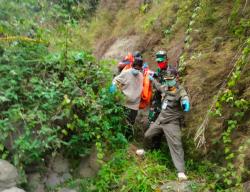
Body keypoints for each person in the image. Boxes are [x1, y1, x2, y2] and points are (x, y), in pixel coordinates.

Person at [137, 67, 190, 181]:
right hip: (160, 120)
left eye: (170, 79)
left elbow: (184, 97)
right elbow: (159, 87)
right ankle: (145, 150)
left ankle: (181, 172)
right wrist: (152, 79)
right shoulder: (166, 87)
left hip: (172, 122)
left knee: (176, 146)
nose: (168, 80)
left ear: (176, 78)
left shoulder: (180, 90)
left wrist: (185, 102)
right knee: (147, 135)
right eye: (166, 79)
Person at [110, 57, 144, 138]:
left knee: (129, 125)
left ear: (141, 68)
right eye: (136, 67)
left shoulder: (141, 76)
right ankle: (116, 139)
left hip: (134, 106)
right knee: (120, 123)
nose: (137, 70)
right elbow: (116, 80)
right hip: (124, 103)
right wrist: (114, 87)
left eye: (139, 68)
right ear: (133, 65)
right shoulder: (126, 73)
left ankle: (126, 142)